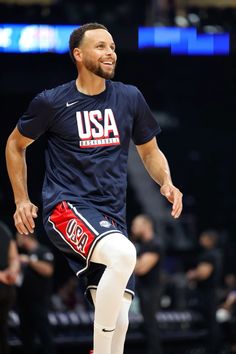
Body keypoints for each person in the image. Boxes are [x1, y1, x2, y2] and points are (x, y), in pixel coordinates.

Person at [5, 22, 183, 354]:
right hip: (66, 208)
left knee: (120, 318)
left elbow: (150, 151)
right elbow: (15, 146)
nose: (110, 52)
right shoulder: (52, 102)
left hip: (111, 216)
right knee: (124, 253)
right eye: (100, 46)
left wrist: (167, 181)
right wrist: (21, 199)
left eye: (112, 46)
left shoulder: (129, 97)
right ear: (78, 54)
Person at [15, 231, 55, 354]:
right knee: (26, 336)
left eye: (18, 238)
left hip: (39, 301)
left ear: (26, 237)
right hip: (23, 301)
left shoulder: (42, 251)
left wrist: (29, 261)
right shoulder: (25, 254)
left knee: (44, 334)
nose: (17, 241)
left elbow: (48, 271)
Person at [186, 229, 223, 354]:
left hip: (206, 293)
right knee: (212, 321)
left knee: (210, 322)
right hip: (212, 291)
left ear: (209, 240)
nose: (200, 240)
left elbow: (203, 273)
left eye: (203, 237)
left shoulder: (209, 255)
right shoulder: (217, 254)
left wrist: (192, 275)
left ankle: (212, 349)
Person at [131, 214, 163, 354]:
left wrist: (126, 262)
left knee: (150, 324)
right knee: (146, 324)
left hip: (152, 290)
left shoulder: (154, 244)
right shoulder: (142, 245)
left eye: (135, 225)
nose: (132, 228)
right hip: (143, 289)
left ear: (145, 225)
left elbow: (141, 268)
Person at [0, 220, 20, 354]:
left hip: (4, 284)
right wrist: (12, 272)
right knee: (2, 328)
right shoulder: (5, 228)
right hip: (7, 287)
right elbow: (14, 258)